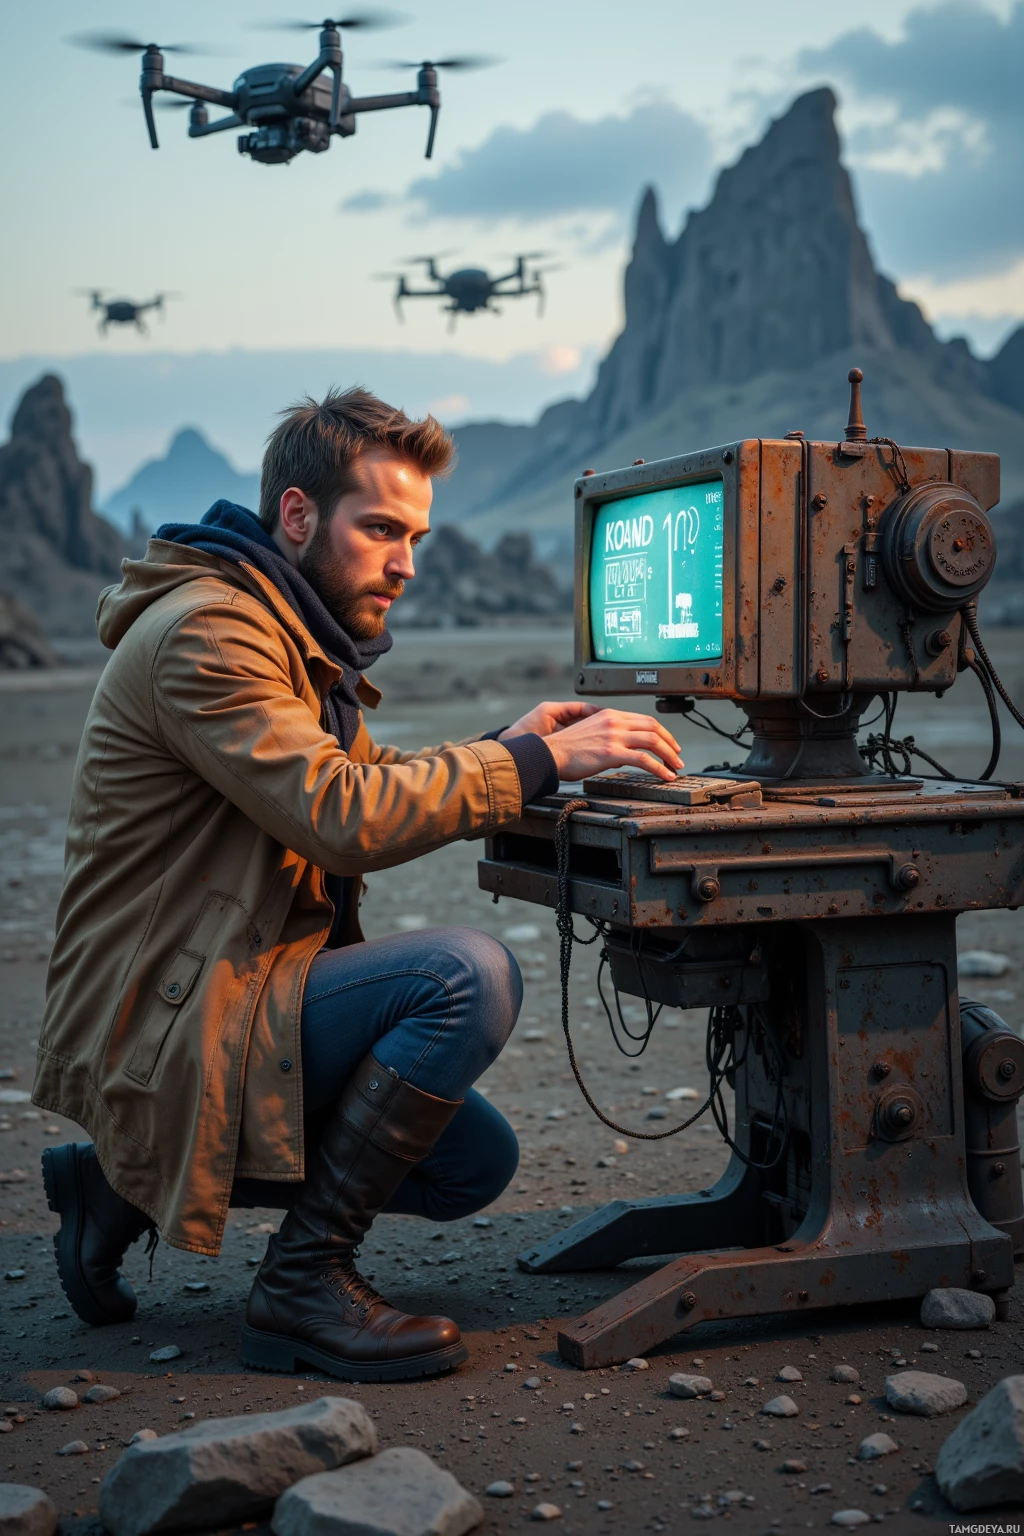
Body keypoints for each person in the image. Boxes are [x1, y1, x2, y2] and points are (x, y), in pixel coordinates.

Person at [34, 387, 682, 1383]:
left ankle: (118, 1186)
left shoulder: (290, 634)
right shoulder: (216, 634)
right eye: (380, 528)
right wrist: (535, 767)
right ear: (298, 516)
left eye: (416, 535)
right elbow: (342, 817)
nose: (406, 563)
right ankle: (301, 1284)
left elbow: (353, 790)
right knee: (465, 977)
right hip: (167, 1009)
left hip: (219, 989)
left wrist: (507, 748)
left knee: (472, 1165)